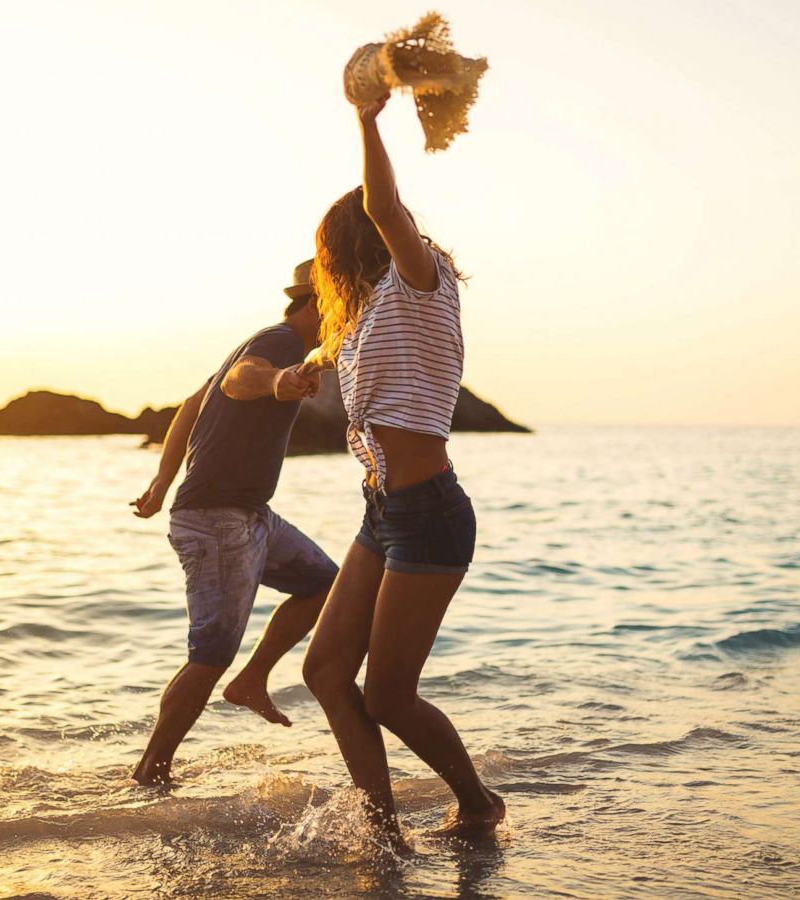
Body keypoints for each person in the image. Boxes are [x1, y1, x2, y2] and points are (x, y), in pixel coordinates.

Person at [299, 91, 505, 845]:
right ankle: (381, 829)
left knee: (388, 693)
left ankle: (479, 803)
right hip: (382, 513)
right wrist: (300, 372)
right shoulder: (368, 313)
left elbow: (385, 207)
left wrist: (365, 118)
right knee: (325, 672)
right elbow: (343, 360)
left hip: (431, 513)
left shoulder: (422, 280)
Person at [128, 261, 336, 786]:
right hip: (218, 518)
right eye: (345, 301)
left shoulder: (265, 343)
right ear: (317, 303)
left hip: (249, 513)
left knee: (324, 584)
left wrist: (160, 481)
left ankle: (253, 679)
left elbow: (191, 407)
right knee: (210, 652)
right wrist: (280, 379)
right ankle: (151, 772)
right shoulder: (281, 341)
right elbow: (245, 383)